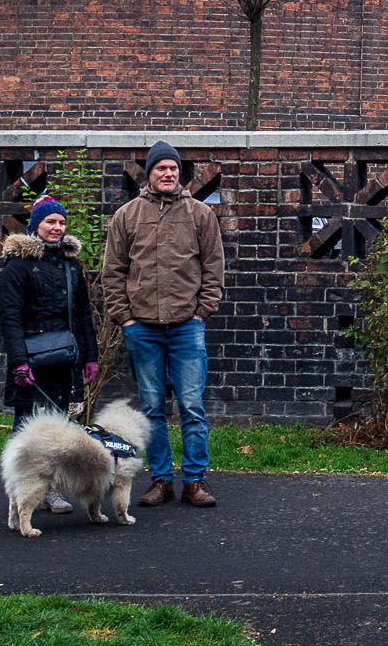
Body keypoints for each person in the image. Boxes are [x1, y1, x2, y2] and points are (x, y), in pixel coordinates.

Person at [101, 140, 224, 507]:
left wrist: (203, 311)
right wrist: (125, 318)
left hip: (188, 325)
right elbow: (113, 272)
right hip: (143, 328)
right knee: (152, 408)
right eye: (160, 169)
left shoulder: (201, 215)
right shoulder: (127, 216)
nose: (168, 174)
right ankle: (160, 480)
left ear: (179, 174)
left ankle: (195, 481)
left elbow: (213, 269)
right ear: (149, 174)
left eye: (173, 168)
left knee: (191, 405)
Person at [0, 194, 100, 514]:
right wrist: (18, 361)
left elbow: (83, 315)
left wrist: (90, 356)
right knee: (25, 426)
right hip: (30, 360)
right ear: (35, 225)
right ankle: (20, 491)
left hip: (64, 360)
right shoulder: (18, 266)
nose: (57, 228)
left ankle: (50, 490)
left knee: (57, 427)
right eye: (50, 222)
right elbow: (10, 315)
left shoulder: (72, 266)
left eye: (61, 222)